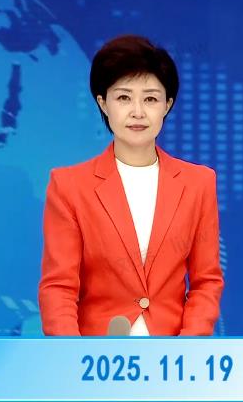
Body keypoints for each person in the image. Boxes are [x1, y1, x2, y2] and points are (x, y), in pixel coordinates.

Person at [38, 35, 224, 336]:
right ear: (103, 103)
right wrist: (72, 356)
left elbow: (206, 282)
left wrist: (187, 348)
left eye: (150, 99)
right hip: (95, 356)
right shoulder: (69, 186)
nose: (138, 111)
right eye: (124, 98)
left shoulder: (198, 183)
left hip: (173, 354)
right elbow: (59, 287)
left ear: (167, 105)